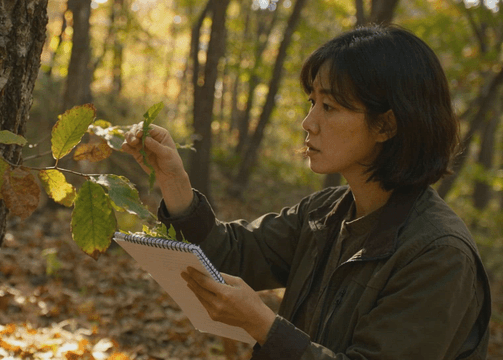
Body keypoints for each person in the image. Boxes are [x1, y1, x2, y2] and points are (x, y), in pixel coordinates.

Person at [122, 24, 491, 359]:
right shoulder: (325, 212)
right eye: (312, 102)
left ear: (386, 125)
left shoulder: (439, 254)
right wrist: (173, 180)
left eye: (329, 106)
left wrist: (264, 327)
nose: (308, 122)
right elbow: (233, 255)